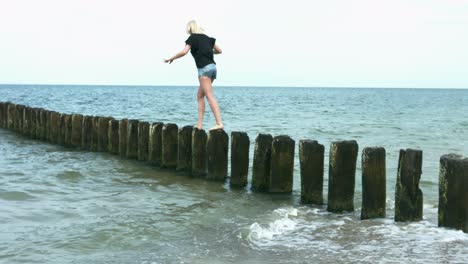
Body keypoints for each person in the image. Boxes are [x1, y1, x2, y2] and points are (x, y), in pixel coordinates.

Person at [164, 20, 224, 131]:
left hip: (204, 69)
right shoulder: (208, 38)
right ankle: (199, 125)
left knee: (209, 95)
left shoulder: (192, 38)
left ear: (190, 29)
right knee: (200, 96)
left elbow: (184, 52)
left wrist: (171, 58)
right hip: (213, 68)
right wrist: (208, 52)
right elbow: (219, 51)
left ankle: (219, 123)